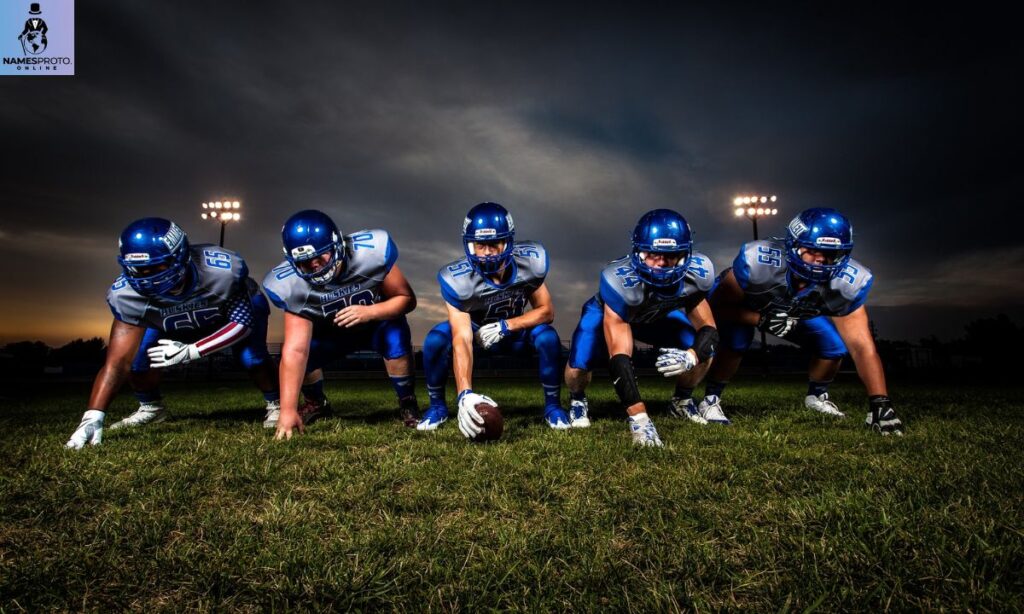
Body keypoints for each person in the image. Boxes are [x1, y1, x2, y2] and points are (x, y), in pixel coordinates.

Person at [65, 218, 279, 449]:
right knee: (138, 361)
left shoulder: (221, 271)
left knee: (252, 357)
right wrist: (93, 416)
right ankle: (151, 408)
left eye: (157, 267)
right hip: (170, 322)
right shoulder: (126, 296)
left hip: (227, 313)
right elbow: (117, 364)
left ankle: (275, 403)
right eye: (139, 269)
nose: (148, 277)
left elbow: (242, 324)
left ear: (181, 256)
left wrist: (192, 351)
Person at [701, 207, 904, 435]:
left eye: (830, 254)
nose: (820, 260)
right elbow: (717, 308)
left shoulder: (848, 284)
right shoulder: (758, 263)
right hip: (747, 307)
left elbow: (862, 347)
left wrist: (880, 403)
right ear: (793, 246)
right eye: (812, 250)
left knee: (833, 347)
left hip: (793, 312)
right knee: (737, 341)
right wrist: (760, 319)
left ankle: (816, 396)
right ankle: (710, 399)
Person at [564, 209, 719, 447]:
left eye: (670, 255)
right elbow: (620, 357)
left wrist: (691, 355)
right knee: (579, 364)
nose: (660, 263)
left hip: (656, 316)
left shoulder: (698, 274)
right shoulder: (618, 281)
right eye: (652, 254)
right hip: (613, 312)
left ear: (685, 254)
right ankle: (577, 399)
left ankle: (681, 401)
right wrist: (640, 419)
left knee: (704, 349)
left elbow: (709, 329)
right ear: (638, 252)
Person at [263, 209, 419, 439]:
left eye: (320, 257)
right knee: (295, 356)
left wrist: (371, 311)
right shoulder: (288, 285)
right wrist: (287, 410)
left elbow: (406, 299)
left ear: (337, 245)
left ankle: (407, 401)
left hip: (375, 324)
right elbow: (296, 350)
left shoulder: (372, 253)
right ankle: (316, 402)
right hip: (330, 333)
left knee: (395, 335)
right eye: (306, 263)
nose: (316, 266)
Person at [419, 202, 569, 437]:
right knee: (436, 339)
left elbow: (546, 311)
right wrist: (465, 394)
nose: (487, 252)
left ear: (507, 243)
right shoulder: (457, 280)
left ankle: (553, 406)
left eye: (493, 244)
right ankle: (437, 406)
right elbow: (461, 337)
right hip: (476, 332)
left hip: (515, 331)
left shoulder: (528, 264)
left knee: (548, 337)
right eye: (480, 245)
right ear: (470, 245)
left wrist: (507, 326)